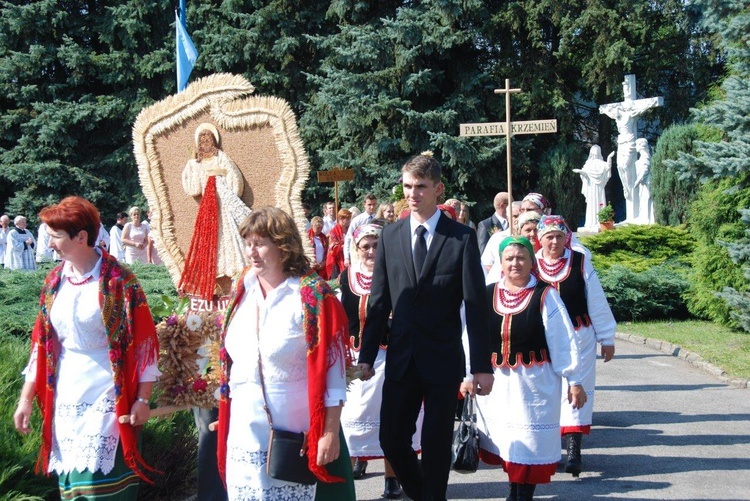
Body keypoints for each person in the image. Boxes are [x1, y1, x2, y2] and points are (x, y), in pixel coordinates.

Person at [358, 151, 494, 501]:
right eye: (407, 186)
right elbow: (378, 302)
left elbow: (476, 307)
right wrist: (367, 357)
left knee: (434, 446)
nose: (412, 194)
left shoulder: (461, 238)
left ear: (438, 189)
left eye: (420, 186)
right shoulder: (390, 236)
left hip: (442, 359)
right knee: (390, 438)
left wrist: (481, 367)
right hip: (401, 358)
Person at [13, 196, 160, 499]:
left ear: (81, 237)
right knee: (72, 486)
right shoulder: (54, 281)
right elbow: (42, 345)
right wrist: (26, 399)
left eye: (55, 236)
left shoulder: (120, 281)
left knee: (98, 486)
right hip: (66, 394)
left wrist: (143, 399)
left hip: (109, 392)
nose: (49, 243)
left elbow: (145, 345)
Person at [216, 206, 355, 501]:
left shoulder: (311, 296)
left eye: (260, 243)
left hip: (293, 429)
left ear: (283, 246)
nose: (251, 252)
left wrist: (329, 431)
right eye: (248, 243)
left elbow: (333, 372)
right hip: (243, 426)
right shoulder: (243, 288)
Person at [464, 236, 586, 501]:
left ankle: (524, 493)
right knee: (508, 440)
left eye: (521, 257)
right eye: (509, 258)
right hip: (498, 385)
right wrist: (467, 375)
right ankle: (514, 489)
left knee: (530, 441)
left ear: (532, 261)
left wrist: (575, 380)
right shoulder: (486, 294)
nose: (515, 263)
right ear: (500, 262)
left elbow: (563, 339)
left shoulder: (546, 295)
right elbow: (470, 337)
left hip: (535, 385)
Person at [338, 223, 421, 499]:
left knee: (390, 418)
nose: (371, 251)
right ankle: (350, 466)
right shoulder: (345, 277)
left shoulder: (397, 274)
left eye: (376, 245)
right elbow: (339, 318)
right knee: (353, 416)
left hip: (391, 357)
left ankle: (391, 477)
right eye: (366, 246)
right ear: (357, 248)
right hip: (356, 358)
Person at [534, 215, 616, 477]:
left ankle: (573, 452)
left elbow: (596, 299)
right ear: (540, 239)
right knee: (545, 394)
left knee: (577, 391)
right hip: (542, 340)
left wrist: (607, 337)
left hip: (580, 337)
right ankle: (546, 453)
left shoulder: (579, 261)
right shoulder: (531, 264)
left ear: (566, 237)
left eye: (559, 236)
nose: (554, 242)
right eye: (549, 237)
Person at [181, 123, 251, 298]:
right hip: (207, 211)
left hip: (224, 208)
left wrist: (225, 194)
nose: (204, 141)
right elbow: (194, 189)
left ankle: (236, 280)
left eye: (208, 138)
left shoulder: (221, 157)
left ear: (213, 140)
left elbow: (235, 180)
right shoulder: (196, 164)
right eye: (201, 139)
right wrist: (191, 166)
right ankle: (214, 285)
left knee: (230, 240)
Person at [483, 210, 542, 284]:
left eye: (536, 230)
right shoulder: (509, 254)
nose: (533, 234)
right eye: (528, 230)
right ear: (520, 232)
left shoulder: (547, 256)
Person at [573, 145, 613, 232]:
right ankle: (591, 223)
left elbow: (608, 168)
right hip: (591, 188)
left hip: (599, 188)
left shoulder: (602, 164)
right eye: (594, 151)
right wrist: (580, 172)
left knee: (600, 203)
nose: (595, 153)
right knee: (591, 205)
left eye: (597, 151)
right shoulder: (588, 164)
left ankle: (601, 222)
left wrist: (609, 158)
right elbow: (585, 175)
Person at [344, 193, 378, 267]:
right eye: (369, 204)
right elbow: (349, 238)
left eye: (374, 204)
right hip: (360, 255)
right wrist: (346, 257)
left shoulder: (378, 219)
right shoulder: (357, 220)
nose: (372, 207)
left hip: (375, 254)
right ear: (364, 204)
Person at [325, 209, 351, 280]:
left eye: (349, 219)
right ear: (341, 219)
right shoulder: (334, 231)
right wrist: (345, 246)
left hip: (348, 258)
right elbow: (333, 247)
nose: (349, 221)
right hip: (336, 262)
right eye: (347, 219)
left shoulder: (350, 229)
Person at [634, 138, 655, 224]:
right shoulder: (643, 156)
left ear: (641, 146)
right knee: (643, 199)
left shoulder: (645, 156)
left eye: (636, 145)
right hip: (643, 183)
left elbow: (645, 170)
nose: (635, 147)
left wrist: (637, 181)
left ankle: (646, 220)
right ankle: (643, 218)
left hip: (646, 182)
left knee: (646, 199)